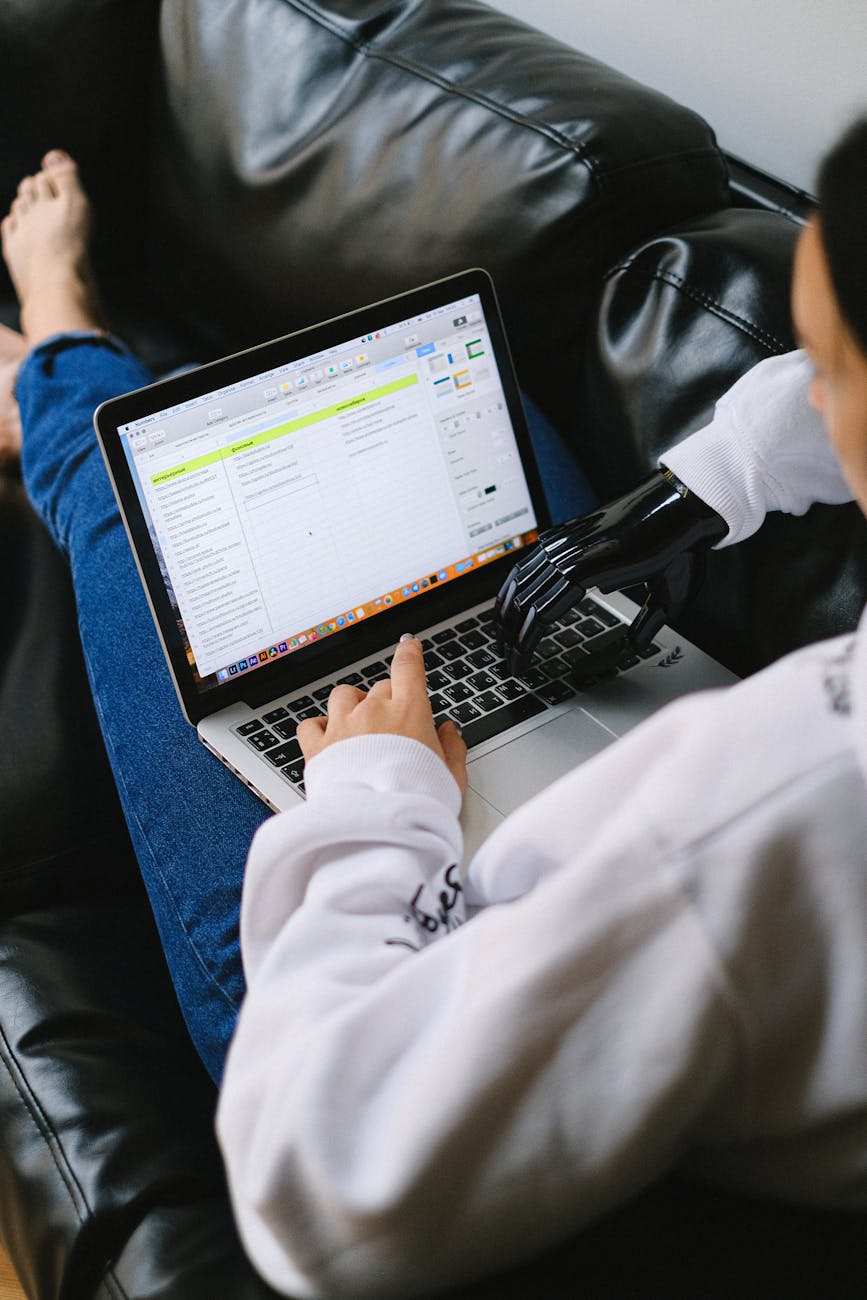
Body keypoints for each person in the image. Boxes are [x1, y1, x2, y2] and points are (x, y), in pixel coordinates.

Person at [1, 125, 865, 1299]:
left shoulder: (775, 808)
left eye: (821, 362)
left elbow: (311, 1177)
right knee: (487, 441)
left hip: (378, 1055)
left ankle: (55, 351)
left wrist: (378, 795)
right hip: (624, 974)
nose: (802, 389)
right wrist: (707, 489)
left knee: (120, 506)